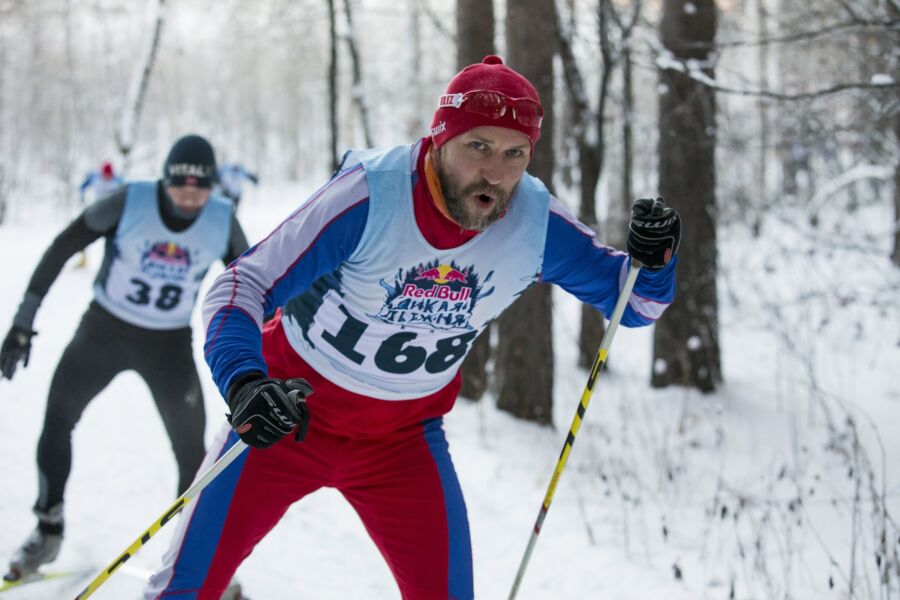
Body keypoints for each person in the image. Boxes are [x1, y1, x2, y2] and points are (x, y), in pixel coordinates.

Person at [143, 56, 681, 600]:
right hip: (287, 422)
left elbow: (633, 307)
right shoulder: (372, 195)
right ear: (440, 139)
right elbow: (240, 286)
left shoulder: (534, 225)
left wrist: (654, 261)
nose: (495, 174)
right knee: (182, 590)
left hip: (402, 443)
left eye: (515, 154)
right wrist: (244, 383)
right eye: (479, 147)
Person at [0, 134, 250, 582]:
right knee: (58, 419)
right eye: (180, 186)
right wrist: (23, 321)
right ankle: (48, 528)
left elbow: (253, 283)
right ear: (164, 180)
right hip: (104, 331)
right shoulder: (128, 201)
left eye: (201, 187)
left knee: (193, 453)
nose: (190, 196)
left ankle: (192, 554)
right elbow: (62, 246)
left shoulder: (222, 219)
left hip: (168, 344)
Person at [74, 161, 124, 267]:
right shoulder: (95, 177)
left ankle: (114, 262)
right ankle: (83, 259)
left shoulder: (118, 181)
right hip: (98, 210)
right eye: (104, 176)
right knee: (82, 234)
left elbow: (125, 193)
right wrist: (82, 195)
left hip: (112, 213)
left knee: (114, 238)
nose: (106, 178)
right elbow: (83, 185)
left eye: (108, 176)